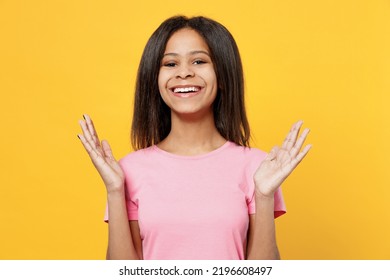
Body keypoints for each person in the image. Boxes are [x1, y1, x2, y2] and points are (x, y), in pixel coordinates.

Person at [77, 15, 311, 260]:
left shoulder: (258, 168)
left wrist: (264, 197)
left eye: (199, 61)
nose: (184, 73)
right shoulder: (129, 170)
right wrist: (115, 190)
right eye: (170, 64)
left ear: (223, 73)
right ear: (154, 79)